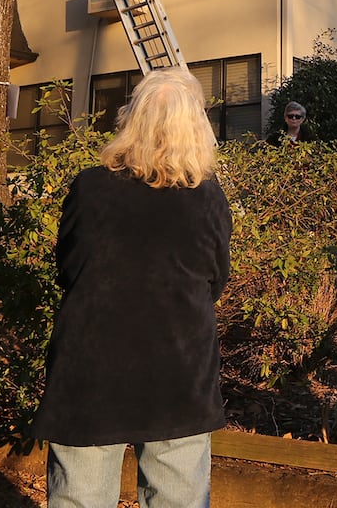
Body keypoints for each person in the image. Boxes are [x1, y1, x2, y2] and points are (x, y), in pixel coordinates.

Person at [33, 68, 232, 508]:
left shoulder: (89, 187)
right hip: (178, 370)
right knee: (178, 497)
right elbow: (215, 279)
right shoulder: (207, 196)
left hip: (91, 366)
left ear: (130, 119)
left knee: (79, 499)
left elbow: (68, 268)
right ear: (196, 127)